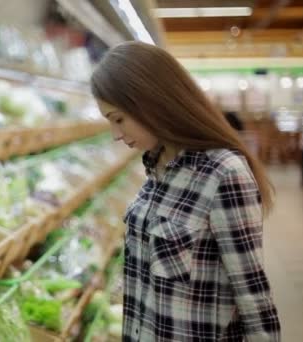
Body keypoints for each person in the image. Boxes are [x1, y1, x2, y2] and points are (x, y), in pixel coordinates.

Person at [91, 42, 280, 341]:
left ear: (149, 102)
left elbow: (253, 298)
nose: (115, 134)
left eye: (119, 119)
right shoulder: (157, 167)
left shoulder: (223, 173)